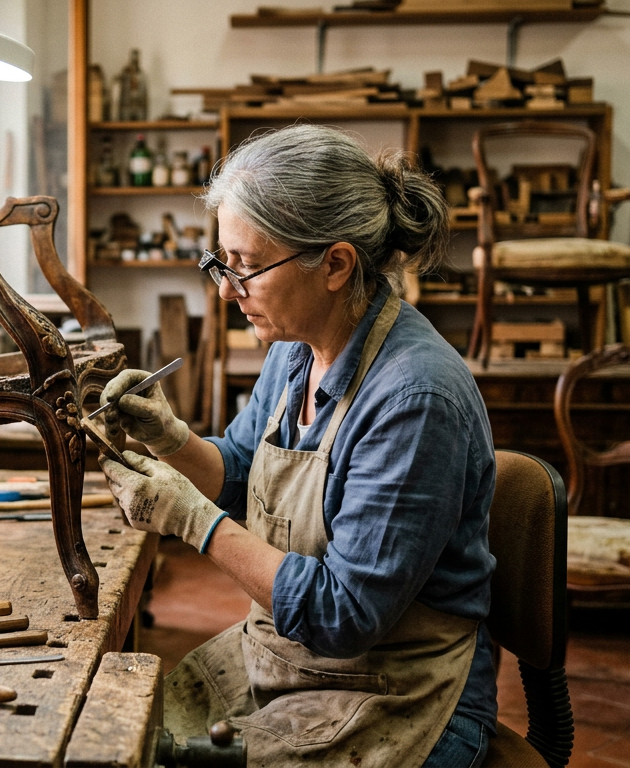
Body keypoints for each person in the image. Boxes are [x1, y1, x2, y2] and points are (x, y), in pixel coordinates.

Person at [98, 124, 496, 768]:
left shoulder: (415, 400)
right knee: (118, 740)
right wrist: (171, 439)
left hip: (399, 694)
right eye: (220, 262)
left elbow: (343, 616)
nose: (226, 289)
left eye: (247, 267)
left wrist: (194, 524)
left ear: (335, 264)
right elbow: (237, 474)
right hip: (290, 661)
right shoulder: (293, 353)